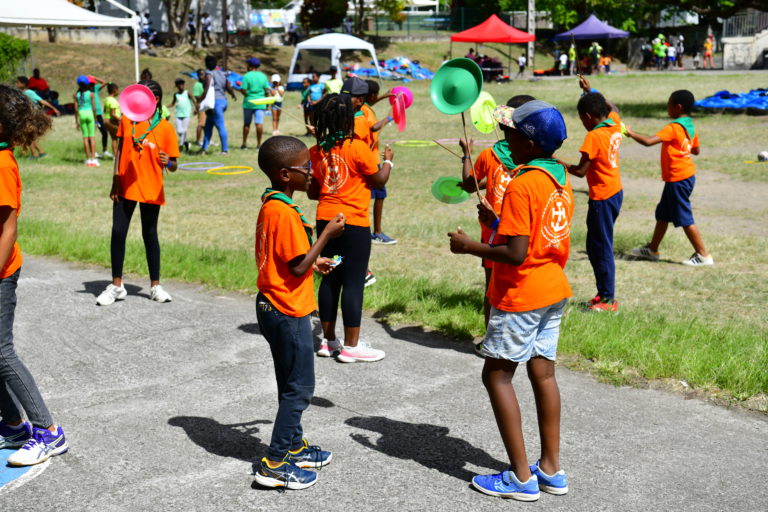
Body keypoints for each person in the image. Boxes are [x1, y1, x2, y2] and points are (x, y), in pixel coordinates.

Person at [447, 100, 573, 501]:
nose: (505, 139)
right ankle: (551, 469)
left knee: (497, 376)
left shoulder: (521, 183)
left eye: (511, 134)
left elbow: (516, 254)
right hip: (553, 288)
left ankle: (520, 478)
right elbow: (534, 234)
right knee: (544, 375)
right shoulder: (559, 178)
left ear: (529, 144)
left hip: (522, 293)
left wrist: (470, 246)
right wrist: (497, 223)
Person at [251, 136, 343, 490]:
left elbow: (291, 259)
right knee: (301, 388)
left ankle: (293, 446)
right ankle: (274, 464)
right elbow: (296, 266)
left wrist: (314, 261)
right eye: (306, 167)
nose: (312, 171)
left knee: (289, 383)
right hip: (286, 309)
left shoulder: (273, 205)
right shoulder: (284, 213)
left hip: (273, 304)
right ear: (286, 174)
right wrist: (326, 235)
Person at [0, 85, 69, 467]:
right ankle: (13, 426)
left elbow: (8, 229)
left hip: (1, 271)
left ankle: (48, 431)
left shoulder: (2, 164)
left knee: (2, 352)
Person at [307, 91, 394, 363]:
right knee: (354, 281)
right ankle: (351, 346)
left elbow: (313, 192)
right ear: (348, 118)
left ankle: (328, 341)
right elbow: (379, 180)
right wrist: (388, 161)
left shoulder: (316, 151)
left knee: (331, 277)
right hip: (353, 224)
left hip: (326, 222)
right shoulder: (358, 147)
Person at [96, 80, 180, 306]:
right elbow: (120, 151)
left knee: (150, 234)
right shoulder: (127, 120)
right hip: (125, 186)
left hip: (151, 188)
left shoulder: (165, 128)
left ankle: (155, 286)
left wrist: (168, 161)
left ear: (156, 100)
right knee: (118, 232)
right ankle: (116, 285)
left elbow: (174, 165)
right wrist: (115, 179)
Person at [459, 94, 536, 326]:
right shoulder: (536, 156)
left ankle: (489, 338)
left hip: (493, 234)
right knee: (522, 285)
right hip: (525, 233)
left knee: (492, 287)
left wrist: (466, 155)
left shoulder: (489, 155)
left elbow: (469, 185)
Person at [625, 90, 713, 266]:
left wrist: (631, 133)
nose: (667, 107)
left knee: (684, 217)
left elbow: (648, 142)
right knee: (663, 214)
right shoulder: (689, 125)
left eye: (669, 104)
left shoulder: (673, 127)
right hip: (685, 177)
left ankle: (703, 255)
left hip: (678, 179)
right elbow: (696, 150)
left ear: (677, 107)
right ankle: (652, 249)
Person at [560, 81, 623, 311]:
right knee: (594, 245)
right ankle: (602, 293)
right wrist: (591, 92)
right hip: (615, 192)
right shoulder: (614, 122)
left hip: (602, 197)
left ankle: (608, 299)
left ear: (587, 117)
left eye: (581, 119)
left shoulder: (594, 136)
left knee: (601, 248)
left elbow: (580, 171)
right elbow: (613, 107)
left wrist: (555, 161)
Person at [360, 80, 396, 245]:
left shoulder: (362, 107)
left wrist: (384, 97)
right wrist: (390, 117)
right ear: (371, 95)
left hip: (367, 157)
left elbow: (369, 102)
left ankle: (368, 231)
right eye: (376, 95)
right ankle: (377, 233)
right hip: (371, 160)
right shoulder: (365, 110)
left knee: (370, 195)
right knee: (380, 195)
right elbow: (374, 127)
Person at [201, 55, 237, 156]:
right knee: (208, 125)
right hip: (223, 101)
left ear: (206, 64)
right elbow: (228, 86)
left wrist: (200, 101)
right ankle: (204, 148)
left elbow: (206, 89)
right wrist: (233, 95)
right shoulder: (222, 74)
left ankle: (225, 150)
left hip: (214, 103)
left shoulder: (208, 74)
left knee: (220, 125)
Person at [15, 76, 59, 159]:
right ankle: (41, 153)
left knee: (29, 136)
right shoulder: (22, 93)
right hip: (27, 117)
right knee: (30, 136)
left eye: (18, 82)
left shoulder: (29, 92)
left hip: (32, 117)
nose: (16, 84)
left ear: (23, 84)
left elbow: (41, 101)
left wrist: (54, 108)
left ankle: (34, 155)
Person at [239, 57, 272, 150]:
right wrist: (267, 104)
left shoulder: (247, 76)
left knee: (247, 124)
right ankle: (259, 145)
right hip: (260, 103)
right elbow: (267, 90)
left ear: (250, 66)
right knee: (259, 124)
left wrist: (245, 93)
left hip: (248, 103)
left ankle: (244, 144)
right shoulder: (263, 76)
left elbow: (243, 90)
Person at [74, 75, 99, 167]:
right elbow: (94, 108)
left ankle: (88, 160)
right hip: (89, 114)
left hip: (81, 114)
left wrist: (76, 121)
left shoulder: (76, 95)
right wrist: (96, 120)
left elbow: (76, 109)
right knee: (92, 137)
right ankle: (94, 159)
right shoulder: (91, 94)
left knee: (85, 138)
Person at [168, 78, 197, 153]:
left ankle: (181, 146)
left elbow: (194, 102)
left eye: (182, 84)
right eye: (179, 84)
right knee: (179, 131)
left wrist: (196, 109)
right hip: (178, 115)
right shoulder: (176, 95)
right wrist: (165, 106)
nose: (181, 85)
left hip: (186, 115)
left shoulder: (187, 93)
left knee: (184, 131)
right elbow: (173, 103)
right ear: (177, 86)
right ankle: (186, 143)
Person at [89, 76, 111, 158]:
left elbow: (104, 83)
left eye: (93, 84)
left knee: (104, 132)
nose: (92, 85)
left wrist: (94, 77)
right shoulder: (86, 92)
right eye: (91, 84)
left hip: (98, 115)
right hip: (91, 115)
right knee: (91, 134)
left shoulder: (95, 88)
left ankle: (105, 150)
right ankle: (93, 152)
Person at [103, 82, 122, 158]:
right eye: (118, 90)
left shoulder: (106, 99)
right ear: (115, 90)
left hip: (106, 121)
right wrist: (120, 119)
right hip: (112, 121)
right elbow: (113, 114)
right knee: (122, 137)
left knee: (114, 138)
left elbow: (104, 110)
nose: (118, 92)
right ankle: (120, 155)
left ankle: (115, 156)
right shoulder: (113, 101)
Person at [192, 69, 206, 147]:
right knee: (201, 124)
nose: (202, 76)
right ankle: (197, 141)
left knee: (206, 124)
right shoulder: (197, 85)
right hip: (201, 107)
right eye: (201, 74)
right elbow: (197, 97)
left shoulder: (205, 83)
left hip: (206, 106)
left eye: (204, 74)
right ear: (197, 76)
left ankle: (206, 140)